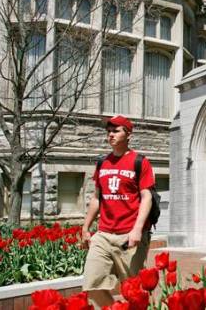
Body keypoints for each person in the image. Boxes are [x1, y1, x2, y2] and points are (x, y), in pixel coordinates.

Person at [82, 115, 155, 308]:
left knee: (134, 291)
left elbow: (146, 197)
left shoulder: (140, 162)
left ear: (128, 134)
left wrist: (137, 229)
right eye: (108, 131)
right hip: (104, 234)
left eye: (116, 131)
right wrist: (85, 227)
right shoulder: (102, 163)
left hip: (129, 237)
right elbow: (97, 198)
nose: (110, 135)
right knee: (92, 285)